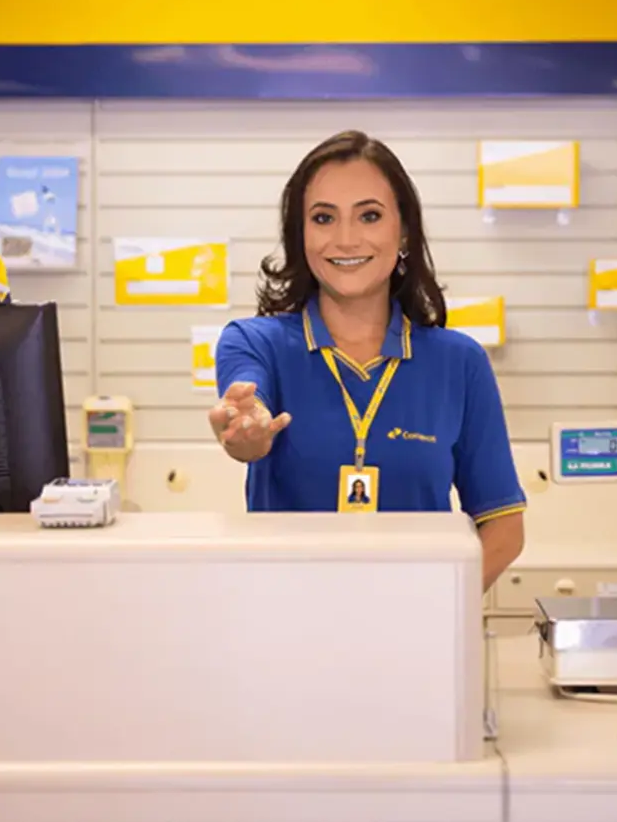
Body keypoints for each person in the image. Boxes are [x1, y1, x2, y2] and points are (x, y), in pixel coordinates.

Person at [209, 130, 525, 591]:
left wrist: (424, 612)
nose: (345, 239)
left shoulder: (460, 363)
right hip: (285, 632)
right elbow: (248, 422)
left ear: (403, 232)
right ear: (300, 235)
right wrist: (245, 431)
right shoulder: (255, 343)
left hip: (415, 641)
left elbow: (503, 528)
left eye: (369, 216)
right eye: (323, 218)